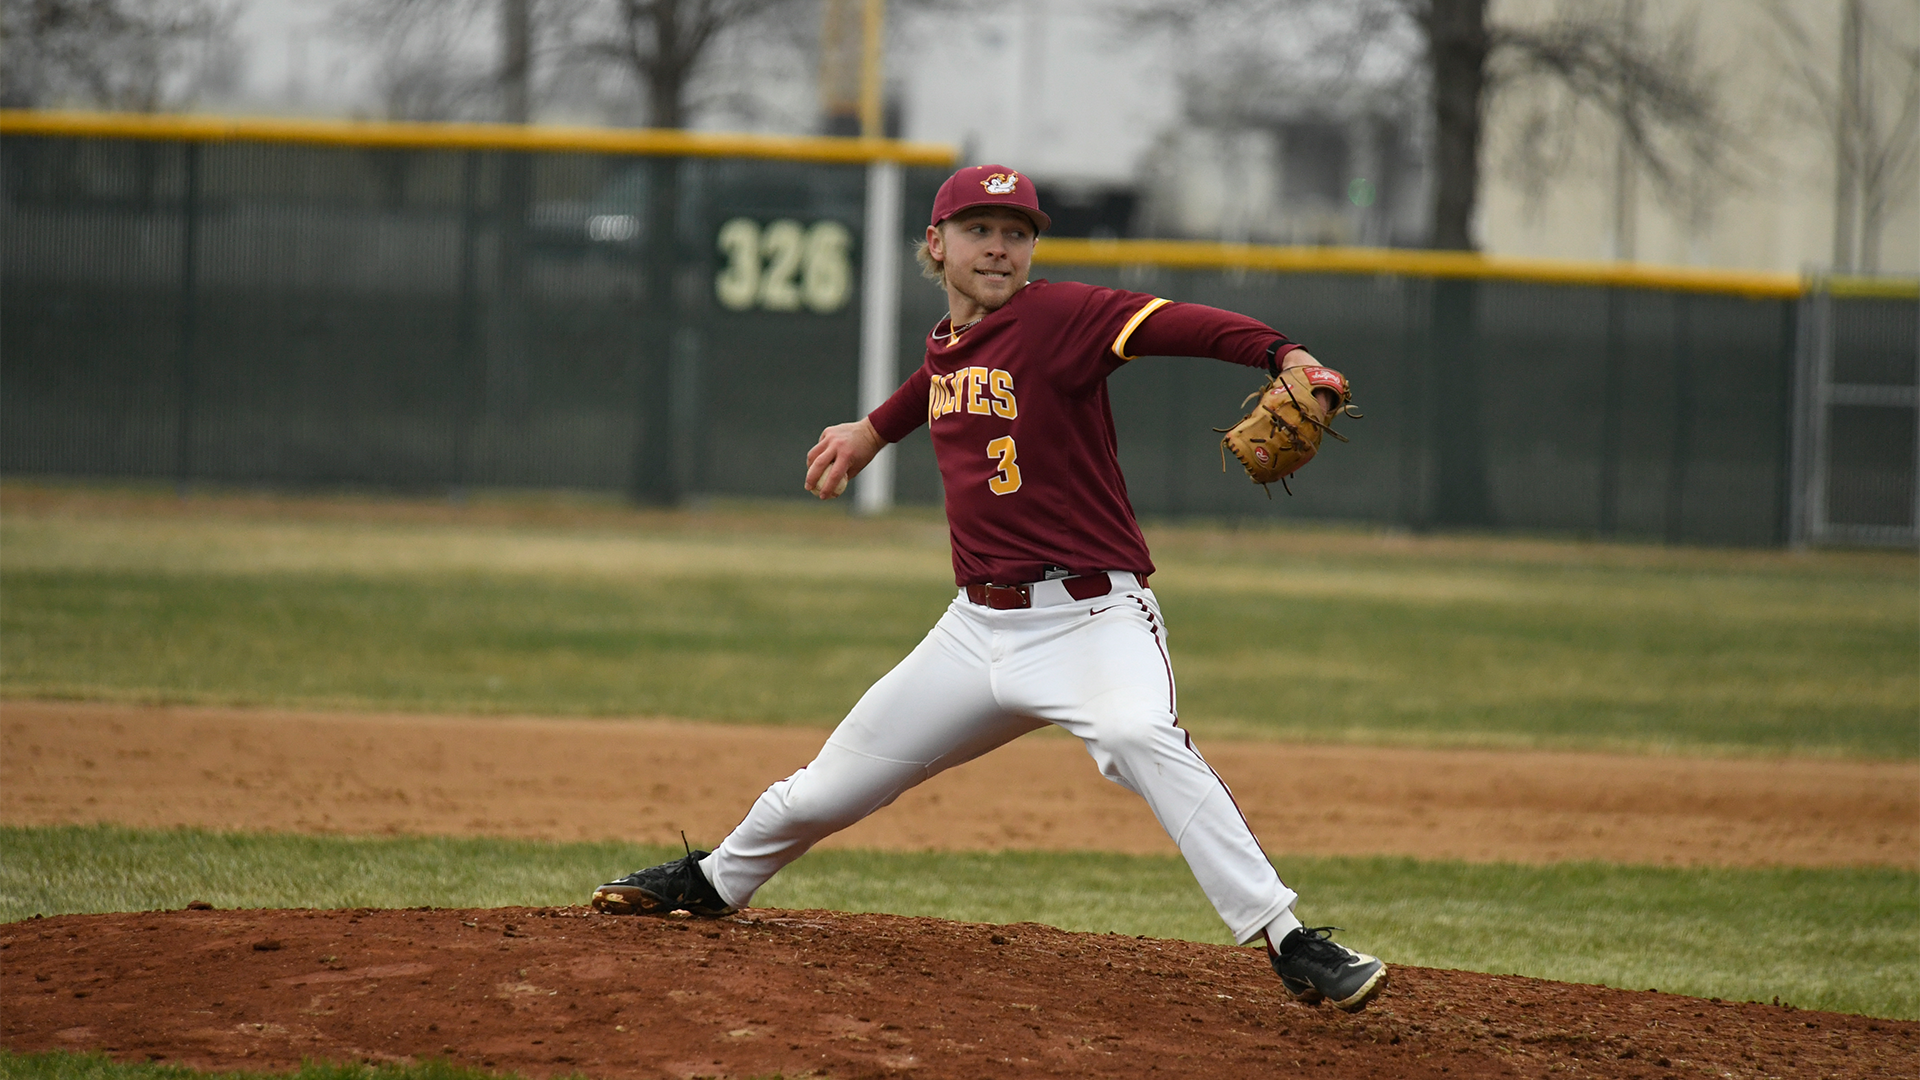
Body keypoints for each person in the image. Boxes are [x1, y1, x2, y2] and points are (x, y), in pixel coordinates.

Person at [593, 164, 1387, 1012]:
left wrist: (1285, 354)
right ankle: (714, 881)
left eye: (1016, 233)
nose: (1000, 248)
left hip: (1092, 618)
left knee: (1138, 734)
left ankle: (1290, 940)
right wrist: (872, 430)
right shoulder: (952, 341)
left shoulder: (1059, 317)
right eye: (979, 230)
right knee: (827, 788)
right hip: (975, 633)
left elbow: (1180, 325)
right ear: (936, 245)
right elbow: (940, 379)